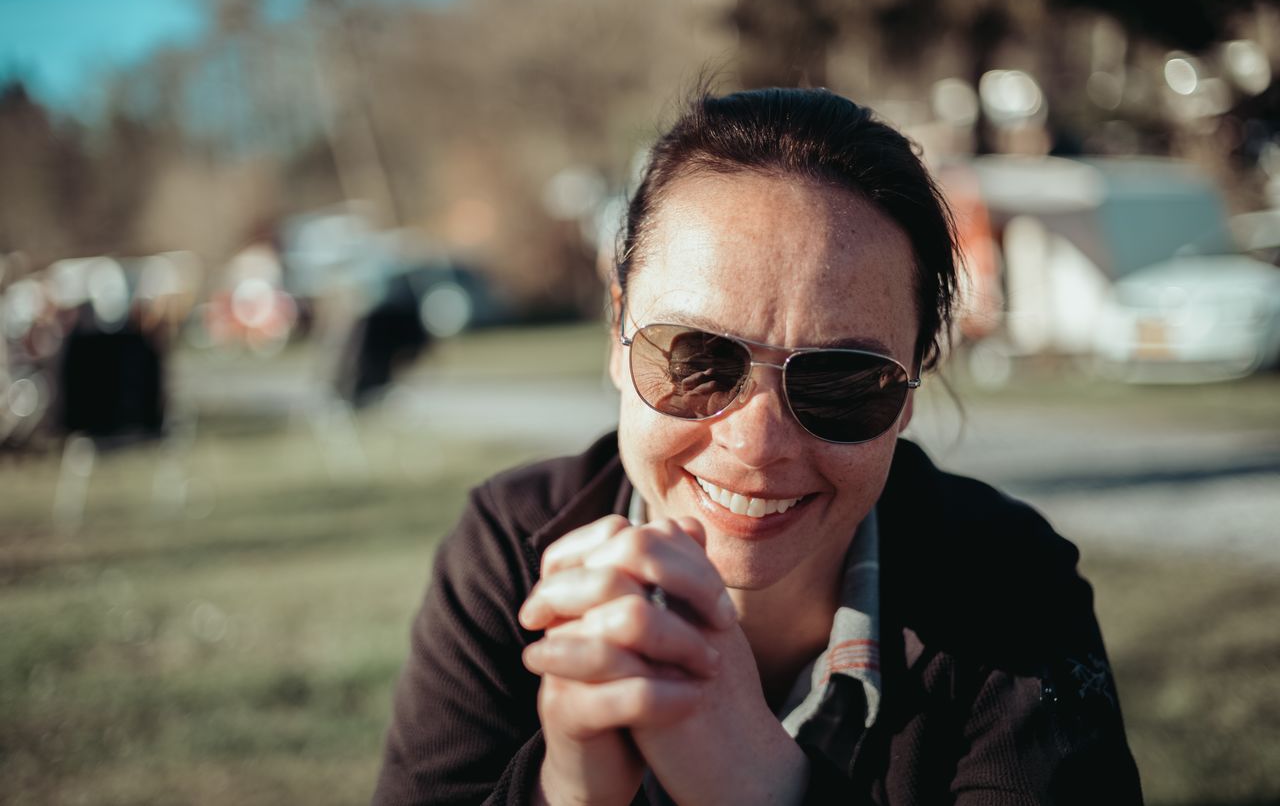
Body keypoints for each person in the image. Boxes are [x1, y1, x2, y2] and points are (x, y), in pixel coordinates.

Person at [372, 88, 1143, 805]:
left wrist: (761, 780)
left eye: (843, 380)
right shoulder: (512, 551)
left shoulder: (1009, 582)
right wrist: (565, 788)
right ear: (617, 336)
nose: (756, 443)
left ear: (912, 387)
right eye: (697, 358)